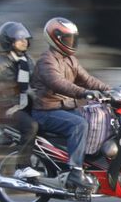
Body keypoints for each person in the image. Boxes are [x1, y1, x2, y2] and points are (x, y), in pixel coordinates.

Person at [31, 17, 111, 190]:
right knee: (79, 124)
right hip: (46, 111)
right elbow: (57, 83)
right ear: (55, 38)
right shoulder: (47, 60)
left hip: (64, 108)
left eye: (73, 38)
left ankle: (89, 164)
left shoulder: (71, 59)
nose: (71, 42)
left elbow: (88, 79)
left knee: (95, 120)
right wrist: (84, 92)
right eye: (67, 38)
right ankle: (75, 171)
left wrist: (110, 90)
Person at [0, 22, 40, 179]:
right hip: (3, 108)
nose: (24, 41)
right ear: (8, 42)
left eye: (25, 38)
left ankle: (1, 150)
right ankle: (22, 167)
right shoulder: (0, 64)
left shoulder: (26, 61)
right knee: (30, 126)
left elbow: (36, 83)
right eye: (19, 39)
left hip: (20, 105)